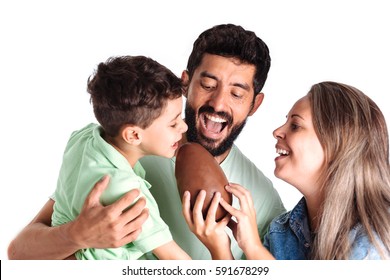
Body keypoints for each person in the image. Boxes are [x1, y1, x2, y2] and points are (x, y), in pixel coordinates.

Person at [8, 24, 286, 260]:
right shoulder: (120, 152)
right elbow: (18, 251)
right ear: (185, 84)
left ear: (255, 104)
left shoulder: (263, 202)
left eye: (237, 93)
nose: (218, 104)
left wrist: (219, 250)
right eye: (208, 85)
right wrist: (76, 235)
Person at [184, 81, 390, 260]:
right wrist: (220, 248)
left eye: (295, 126)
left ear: (336, 146)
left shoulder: (376, 239)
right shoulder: (280, 233)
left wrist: (254, 249)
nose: (277, 132)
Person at [49, 55, 191, 260]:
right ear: (133, 135)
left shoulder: (82, 138)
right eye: (173, 123)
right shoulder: (128, 193)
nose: (184, 127)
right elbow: (177, 260)